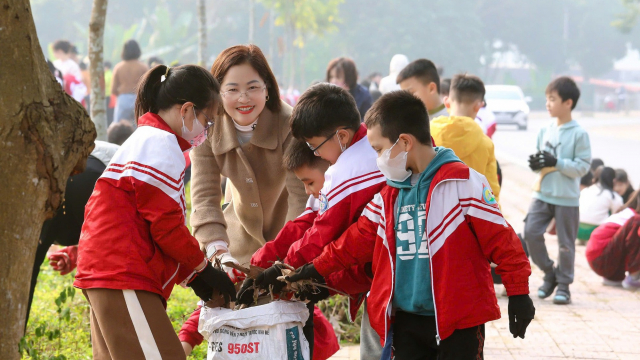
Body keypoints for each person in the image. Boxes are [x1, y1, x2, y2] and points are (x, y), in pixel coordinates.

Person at [286, 91, 534, 360]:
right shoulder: (388, 196)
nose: (378, 159)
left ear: (404, 142)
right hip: (405, 323)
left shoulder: (464, 184)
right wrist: (312, 270)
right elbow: (353, 243)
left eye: (379, 149)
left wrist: (519, 292)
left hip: (459, 323)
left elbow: (502, 240)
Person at [74, 64, 236, 360]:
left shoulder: (146, 140)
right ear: (187, 109)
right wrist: (204, 269)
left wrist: (194, 277)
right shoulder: (161, 144)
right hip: (123, 272)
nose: (206, 130)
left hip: (108, 271)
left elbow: (149, 223)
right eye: (207, 121)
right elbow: (166, 227)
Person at [249, 83, 387, 360]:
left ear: (342, 136)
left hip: (389, 280)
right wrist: (263, 261)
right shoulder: (353, 155)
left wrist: (281, 270)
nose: (315, 154)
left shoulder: (350, 170)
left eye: (314, 146)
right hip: (378, 275)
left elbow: (320, 235)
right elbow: (308, 221)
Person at [178, 140, 340, 360]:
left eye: (309, 183)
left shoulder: (328, 203)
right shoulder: (236, 275)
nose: (307, 191)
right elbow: (201, 315)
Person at [190, 43, 307, 271]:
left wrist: (288, 256)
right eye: (232, 90)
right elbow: (204, 196)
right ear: (218, 93)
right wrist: (218, 251)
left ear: (267, 89)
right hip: (235, 243)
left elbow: (300, 198)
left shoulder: (291, 125)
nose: (244, 99)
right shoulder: (207, 126)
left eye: (253, 87)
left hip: (287, 237)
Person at [524, 76, 591, 305]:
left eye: (552, 99)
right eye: (547, 99)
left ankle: (564, 286)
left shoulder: (579, 134)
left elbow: (582, 167)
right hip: (542, 193)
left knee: (565, 244)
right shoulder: (545, 129)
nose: (548, 104)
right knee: (531, 233)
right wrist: (535, 164)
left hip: (567, 198)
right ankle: (550, 273)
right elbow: (539, 159)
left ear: (568, 103)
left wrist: (557, 162)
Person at [429, 73, 501, 202]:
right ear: (478, 106)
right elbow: (491, 192)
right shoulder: (486, 144)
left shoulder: (429, 134)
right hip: (472, 215)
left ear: (447, 102)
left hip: (435, 213)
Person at [586, 189, 639, 287]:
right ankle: (635, 276)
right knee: (637, 222)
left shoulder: (626, 212)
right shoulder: (634, 217)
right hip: (602, 259)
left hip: (604, 262)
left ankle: (615, 277)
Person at [578, 167, 624, 243]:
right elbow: (617, 216)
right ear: (613, 180)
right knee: (613, 214)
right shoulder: (613, 196)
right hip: (596, 232)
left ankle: (582, 240)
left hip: (577, 230)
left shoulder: (585, 190)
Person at [111, 39, 149, 123]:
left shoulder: (118, 67)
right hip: (138, 99)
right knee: (140, 127)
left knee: (118, 126)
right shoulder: (143, 67)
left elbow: (113, 90)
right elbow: (148, 87)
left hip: (123, 98)